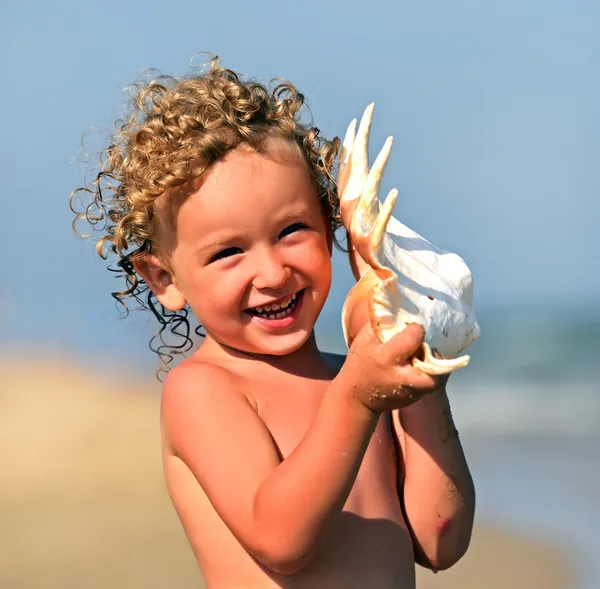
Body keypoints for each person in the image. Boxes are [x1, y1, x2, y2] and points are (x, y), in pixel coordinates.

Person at [71, 57, 475, 589]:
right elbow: (281, 539)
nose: (272, 271)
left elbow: (439, 540)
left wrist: (425, 383)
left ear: (332, 226)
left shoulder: (354, 379)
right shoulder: (205, 390)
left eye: (292, 230)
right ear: (165, 278)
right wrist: (356, 397)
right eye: (228, 252)